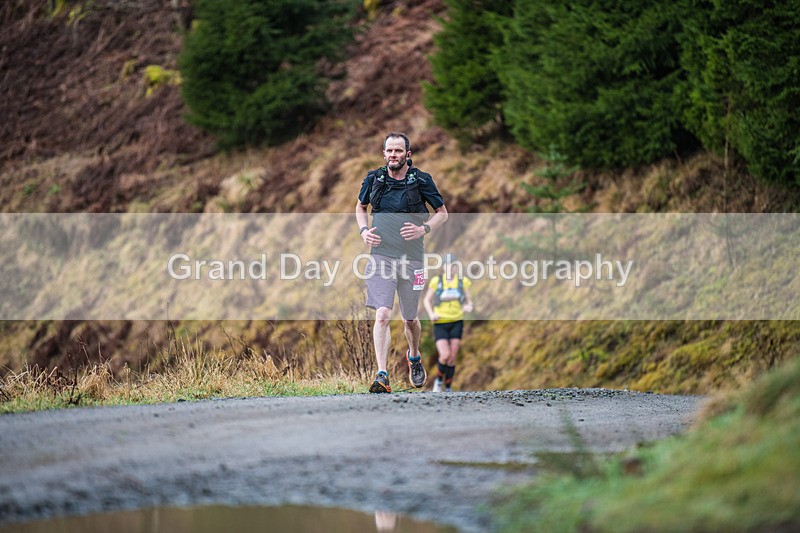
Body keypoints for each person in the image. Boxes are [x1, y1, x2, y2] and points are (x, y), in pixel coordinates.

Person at [355, 132, 448, 393]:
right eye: (389, 151)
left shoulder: (421, 180)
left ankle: (414, 356)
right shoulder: (374, 178)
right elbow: (360, 207)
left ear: (408, 154)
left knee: (410, 319)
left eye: (398, 151)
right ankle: (382, 374)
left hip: (413, 259)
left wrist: (424, 230)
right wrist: (364, 231)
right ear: (383, 153)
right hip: (381, 256)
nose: (392, 155)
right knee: (383, 314)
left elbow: (442, 214)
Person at [422, 253, 473, 392]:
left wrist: (468, 306)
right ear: (444, 267)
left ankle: (448, 387)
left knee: (452, 357)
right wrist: (431, 313)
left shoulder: (463, 282)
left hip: (457, 321)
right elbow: (426, 300)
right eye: (448, 265)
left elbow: (469, 301)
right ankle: (438, 381)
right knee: (444, 355)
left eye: (453, 265)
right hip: (440, 322)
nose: (450, 267)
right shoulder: (437, 281)